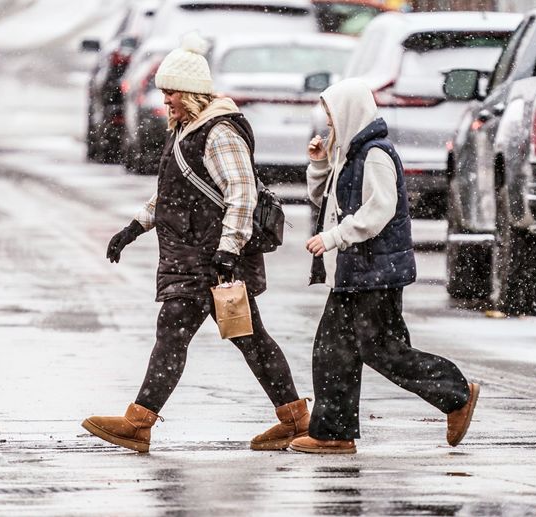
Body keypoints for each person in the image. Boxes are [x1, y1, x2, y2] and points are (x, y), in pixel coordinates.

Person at [81, 32, 309, 453]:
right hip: (194, 253)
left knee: (175, 332)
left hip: (211, 257)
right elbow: (174, 193)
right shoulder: (187, 129)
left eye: (170, 93)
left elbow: (241, 192)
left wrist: (228, 249)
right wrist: (133, 227)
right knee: (250, 338)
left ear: (192, 93)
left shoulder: (218, 132)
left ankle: (139, 423)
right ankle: (294, 418)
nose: (164, 101)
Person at [289, 78, 479, 454]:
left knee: (382, 350)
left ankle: (456, 394)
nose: (328, 125)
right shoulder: (349, 153)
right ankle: (333, 434)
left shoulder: (375, 154)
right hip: (356, 272)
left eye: (331, 117)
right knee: (333, 351)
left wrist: (334, 238)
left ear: (348, 113)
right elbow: (326, 201)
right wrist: (319, 164)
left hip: (374, 273)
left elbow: (379, 210)